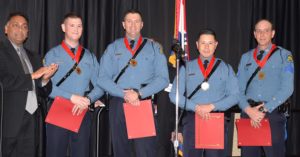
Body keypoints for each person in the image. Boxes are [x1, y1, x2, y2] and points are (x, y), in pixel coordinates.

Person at [98, 9, 169, 157]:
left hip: (142, 102)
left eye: (136, 21)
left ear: (142, 24)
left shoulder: (154, 48)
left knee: (145, 151)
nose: (133, 25)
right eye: (129, 21)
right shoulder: (113, 48)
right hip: (119, 102)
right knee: (121, 150)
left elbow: (163, 79)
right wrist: (123, 94)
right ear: (123, 24)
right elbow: (102, 78)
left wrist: (138, 94)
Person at [169, 29, 239, 157]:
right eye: (203, 43)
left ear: (216, 45)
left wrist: (212, 106)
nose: (206, 47)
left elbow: (235, 96)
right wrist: (195, 107)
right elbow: (174, 95)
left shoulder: (226, 68)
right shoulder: (186, 67)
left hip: (216, 120)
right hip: (192, 120)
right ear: (197, 45)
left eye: (210, 43)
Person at [44, 12, 103, 157]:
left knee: (81, 153)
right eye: (72, 25)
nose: (76, 29)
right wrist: (71, 97)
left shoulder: (90, 56)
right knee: (55, 152)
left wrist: (89, 99)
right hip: (59, 110)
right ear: (63, 27)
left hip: (82, 110)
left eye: (79, 26)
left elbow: (101, 85)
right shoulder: (52, 54)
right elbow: (46, 87)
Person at [0, 12, 58, 157]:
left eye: (24, 27)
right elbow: (4, 82)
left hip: (33, 120)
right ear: (6, 29)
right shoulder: (1, 52)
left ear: (28, 32)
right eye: (16, 25)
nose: (20, 29)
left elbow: (44, 91)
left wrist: (45, 79)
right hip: (9, 121)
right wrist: (32, 76)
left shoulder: (35, 56)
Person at [237, 19, 294, 157]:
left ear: (272, 33)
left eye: (266, 30)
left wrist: (263, 109)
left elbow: (287, 88)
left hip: (273, 114)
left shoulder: (284, 55)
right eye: (259, 31)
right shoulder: (246, 58)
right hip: (249, 114)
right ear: (254, 34)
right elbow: (237, 90)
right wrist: (249, 110)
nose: (262, 34)